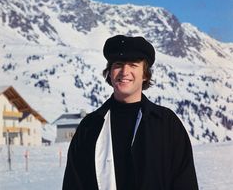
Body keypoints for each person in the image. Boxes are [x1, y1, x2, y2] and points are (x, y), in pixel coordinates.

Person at [62, 35, 199, 190]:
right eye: (118, 64)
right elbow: (73, 183)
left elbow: (185, 181)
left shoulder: (166, 123)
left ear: (145, 74)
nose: (124, 71)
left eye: (133, 65)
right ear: (110, 72)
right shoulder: (90, 127)